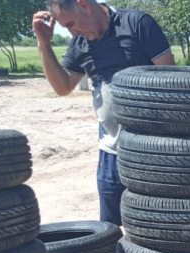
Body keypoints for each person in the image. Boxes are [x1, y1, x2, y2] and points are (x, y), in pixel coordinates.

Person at [33, 0, 175, 225]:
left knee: (156, 221)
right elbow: (63, 87)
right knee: (111, 229)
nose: (71, 32)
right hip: (111, 151)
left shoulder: (136, 23)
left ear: (84, 5)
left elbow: (171, 81)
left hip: (152, 150)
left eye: (70, 23)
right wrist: (44, 44)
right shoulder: (79, 43)